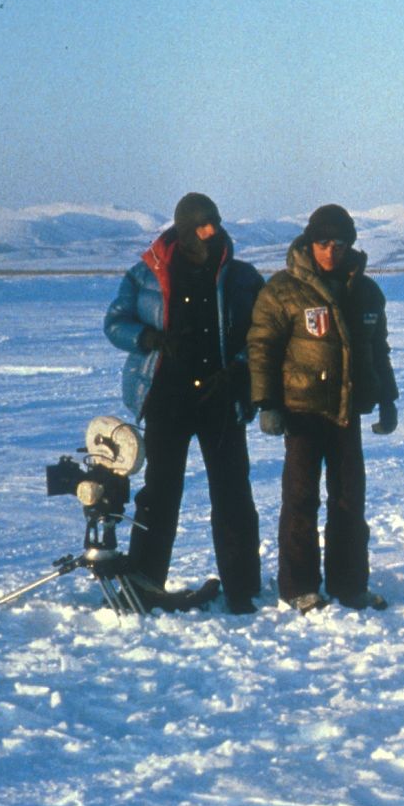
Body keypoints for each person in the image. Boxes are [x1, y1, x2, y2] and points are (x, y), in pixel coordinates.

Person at [103, 192, 264, 613]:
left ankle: (243, 586)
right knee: (159, 492)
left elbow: (260, 336)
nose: (211, 232)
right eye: (202, 224)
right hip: (166, 398)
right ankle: (143, 582)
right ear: (184, 227)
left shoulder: (241, 277)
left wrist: (239, 369)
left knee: (232, 493)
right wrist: (149, 338)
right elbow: (115, 323)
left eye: (215, 222)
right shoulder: (145, 275)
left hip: (220, 397)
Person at [247, 204, 399, 614]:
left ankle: (350, 585)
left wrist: (388, 398)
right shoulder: (283, 290)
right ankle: (298, 586)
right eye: (323, 242)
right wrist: (266, 403)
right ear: (310, 242)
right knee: (300, 500)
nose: (331, 251)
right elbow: (261, 347)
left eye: (340, 243)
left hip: (346, 412)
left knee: (350, 501)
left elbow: (377, 351)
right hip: (302, 413)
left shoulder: (366, 291)